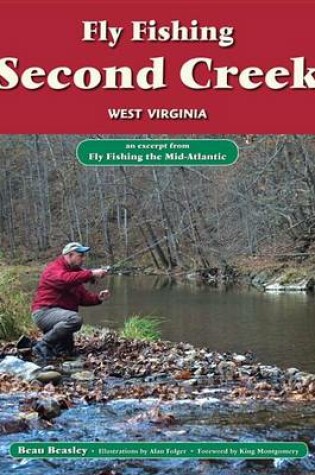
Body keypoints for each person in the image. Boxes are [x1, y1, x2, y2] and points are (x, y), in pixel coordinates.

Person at [31, 242, 110, 360]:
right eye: (80, 255)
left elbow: (82, 297)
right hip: (44, 312)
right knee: (75, 319)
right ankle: (43, 344)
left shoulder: (74, 273)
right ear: (69, 255)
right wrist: (91, 273)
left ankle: (46, 347)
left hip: (58, 317)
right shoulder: (54, 268)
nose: (83, 258)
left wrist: (98, 298)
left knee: (66, 351)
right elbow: (64, 280)